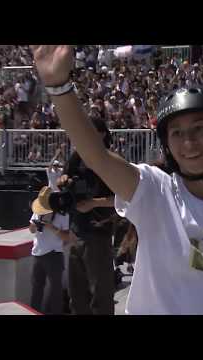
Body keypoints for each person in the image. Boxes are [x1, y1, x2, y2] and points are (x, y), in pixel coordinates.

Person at [31, 45, 203, 315]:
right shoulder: (155, 192)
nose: (188, 142)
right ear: (167, 145)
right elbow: (97, 157)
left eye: (200, 128)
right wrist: (58, 85)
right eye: (176, 133)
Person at [57, 116, 117, 315]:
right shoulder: (76, 157)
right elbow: (64, 177)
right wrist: (64, 179)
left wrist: (93, 203)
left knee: (101, 298)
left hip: (98, 234)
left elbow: (121, 199)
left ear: (101, 133)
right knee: (77, 297)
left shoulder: (110, 160)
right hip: (76, 233)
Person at [29, 186, 70, 314]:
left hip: (54, 254)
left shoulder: (63, 215)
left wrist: (51, 227)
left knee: (55, 289)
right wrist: (35, 225)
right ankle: (34, 311)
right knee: (36, 288)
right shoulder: (38, 211)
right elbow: (31, 230)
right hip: (37, 253)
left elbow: (66, 237)